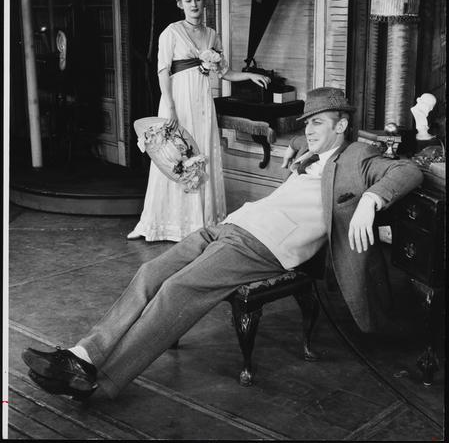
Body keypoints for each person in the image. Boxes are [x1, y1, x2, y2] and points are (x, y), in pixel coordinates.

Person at [22, 87, 423, 401]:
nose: (309, 130)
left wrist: (371, 200)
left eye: (318, 122)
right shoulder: (309, 150)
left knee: (177, 290)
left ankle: (100, 383)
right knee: (149, 272)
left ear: (341, 125)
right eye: (307, 123)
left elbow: (408, 171)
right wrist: (298, 148)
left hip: (261, 244)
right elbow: (303, 145)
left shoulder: (357, 155)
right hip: (231, 226)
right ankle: (83, 355)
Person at [127, 0, 271, 242]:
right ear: (180, 4)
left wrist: (250, 75)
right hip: (177, 101)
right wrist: (170, 106)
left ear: (204, 2)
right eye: (188, 0)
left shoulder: (212, 35)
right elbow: (162, 71)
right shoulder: (171, 32)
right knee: (173, 155)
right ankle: (158, 223)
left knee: (201, 153)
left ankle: (199, 222)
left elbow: (225, 72)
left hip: (202, 103)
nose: (193, 5)